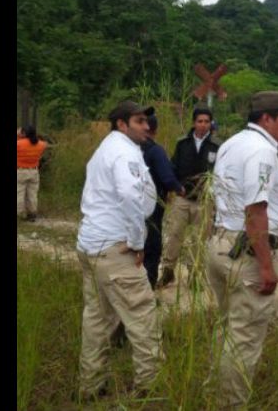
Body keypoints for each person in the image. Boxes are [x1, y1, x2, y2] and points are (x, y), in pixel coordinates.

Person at [205, 91, 278, 408]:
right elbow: (255, 209)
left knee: (227, 326)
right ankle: (230, 404)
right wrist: (265, 265)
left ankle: (215, 392)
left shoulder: (232, 143)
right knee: (244, 337)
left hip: (222, 242)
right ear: (267, 119)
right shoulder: (262, 152)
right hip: (246, 252)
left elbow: (213, 193)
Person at [74, 101, 161, 402]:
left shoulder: (107, 149)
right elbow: (127, 194)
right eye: (139, 121)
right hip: (113, 247)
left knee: (97, 318)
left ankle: (91, 385)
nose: (146, 126)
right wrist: (138, 241)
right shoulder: (123, 151)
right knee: (142, 316)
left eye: (146, 121)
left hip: (92, 244)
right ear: (121, 125)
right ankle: (149, 389)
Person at [157, 103, 221, 287]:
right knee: (174, 236)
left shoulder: (217, 146)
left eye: (207, 121)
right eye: (200, 121)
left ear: (211, 123)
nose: (203, 125)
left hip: (204, 201)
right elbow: (173, 167)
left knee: (199, 241)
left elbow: (220, 173)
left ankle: (195, 275)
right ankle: (168, 271)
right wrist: (172, 188)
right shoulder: (182, 143)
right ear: (193, 123)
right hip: (182, 198)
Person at [142, 114, 184, 289]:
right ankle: (149, 289)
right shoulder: (155, 151)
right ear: (155, 130)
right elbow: (167, 177)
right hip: (153, 207)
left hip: (131, 208)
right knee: (152, 248)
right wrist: (179, 188)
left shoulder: (131, 148)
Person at [17, 124, 48, 221]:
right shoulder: (41, 144)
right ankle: (32, 213)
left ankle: (20, 214)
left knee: (19, 193)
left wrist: (18, 135)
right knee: (32, 194)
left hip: (20, 171)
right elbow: (45, 144)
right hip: (34, 171)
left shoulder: (19, 144)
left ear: (24, 133)